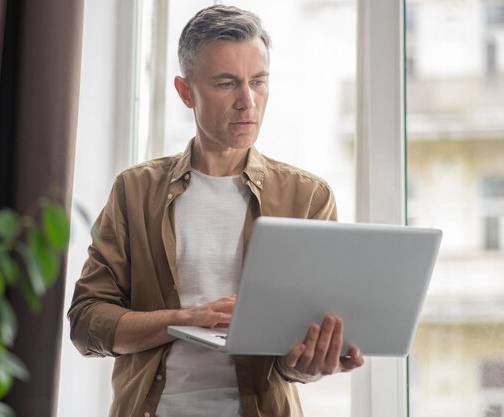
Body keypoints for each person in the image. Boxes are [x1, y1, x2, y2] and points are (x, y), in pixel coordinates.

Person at [68, 5, 364, 417]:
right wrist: (186, 319)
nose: (248, 102)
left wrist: (308, 364)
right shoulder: (134, 191)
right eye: (227, 83)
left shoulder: (307, 197)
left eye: (258, 82)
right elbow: (86, 323)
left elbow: (297, 349)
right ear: (186, 91)